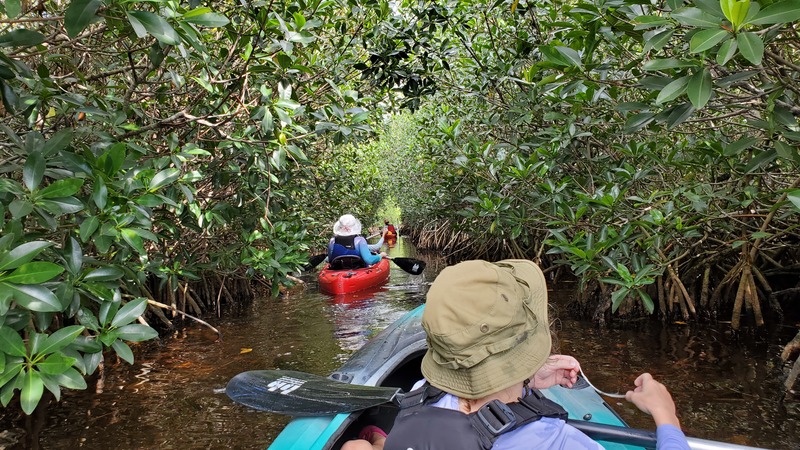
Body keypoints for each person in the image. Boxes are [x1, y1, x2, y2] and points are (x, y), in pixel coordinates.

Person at [343, 259, 690, 450]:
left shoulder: (423, 391)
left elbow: (474, 400)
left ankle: (375, 440)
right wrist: (666, 416)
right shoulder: (557, 442)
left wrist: (529, 378)